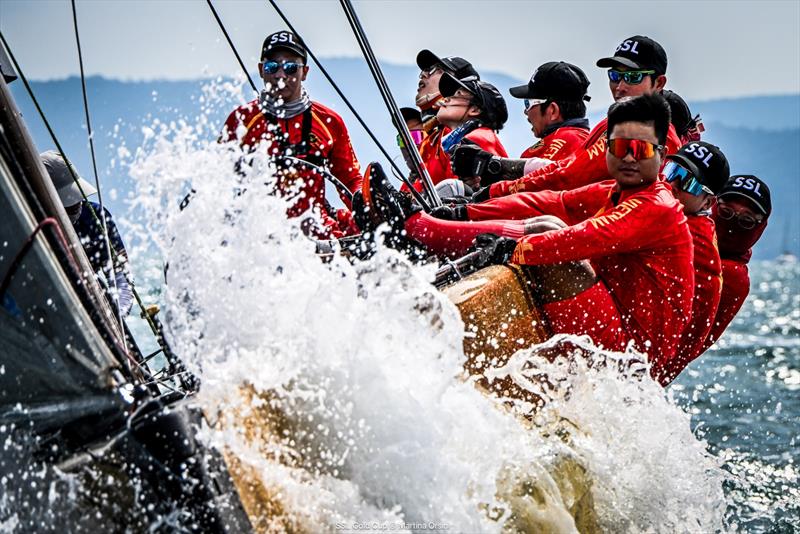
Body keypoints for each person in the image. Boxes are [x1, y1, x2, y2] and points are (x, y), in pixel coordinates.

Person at [360, 94, 694, 385]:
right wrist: (467, 212)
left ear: (662, 154)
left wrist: (509, 247)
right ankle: (430, 231)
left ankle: (418, 231)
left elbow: (582, 238)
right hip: (614, 329)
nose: (629, 157)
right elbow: (551, 200)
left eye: (640, 149)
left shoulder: (657, 207)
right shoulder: (617, 191)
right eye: (620, 147)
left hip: (629, 357)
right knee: (547, 220)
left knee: (548, 235)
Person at [454, 35, 682, 201]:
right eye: (614, 75)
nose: (619, 86)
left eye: (632, 77)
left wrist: (494, 179)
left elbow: (567, 178)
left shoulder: (656, 133)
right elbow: (568, 173)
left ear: (659, 83)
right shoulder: (610, 123)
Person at [219, 30, 362, 239]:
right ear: (260, 70)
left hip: (317, 231)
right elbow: (218, 181)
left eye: (290, 68)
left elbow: (350, 181)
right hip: (257, 236)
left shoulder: (330, 122)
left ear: (304, 72)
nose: (280, 75)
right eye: (271, 67)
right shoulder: (241, 120)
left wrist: (365, 204)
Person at [452, 61, 591, 189]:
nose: (525, 111)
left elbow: (534, 189)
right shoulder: (578, 139)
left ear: (552, 111)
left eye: (528, 103)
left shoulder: (567, 139)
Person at [661, 141, 730, 383]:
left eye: (688, 182)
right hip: (656, 360)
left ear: (708, 203)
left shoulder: (682, 229)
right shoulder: (693, 221)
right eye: (672, 172)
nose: (673, 185)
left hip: (647, 360)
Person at [41, 151, 133, 318]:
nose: (76, 203)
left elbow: (120, 271)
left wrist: (120, 310)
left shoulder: (96, 216)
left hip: (95, 299)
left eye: (76, 194)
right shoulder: (38, 227)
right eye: (67, 198)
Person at [407, 72, 509, 194]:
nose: (447, 99)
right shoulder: (462, 139)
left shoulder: (477, 137)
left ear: (474, 110)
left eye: (458, 95)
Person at [702, 175, 772, 350]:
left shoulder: (732, 276)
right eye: (726, 213)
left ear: (760, 228)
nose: (732, 226)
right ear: (711, 204)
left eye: (746, 221)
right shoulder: (691, 232)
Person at [415, 49, 480, 125]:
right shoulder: (425, 130)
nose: (423, 74)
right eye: (425, 70)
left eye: (438, 70)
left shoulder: (468, 134)